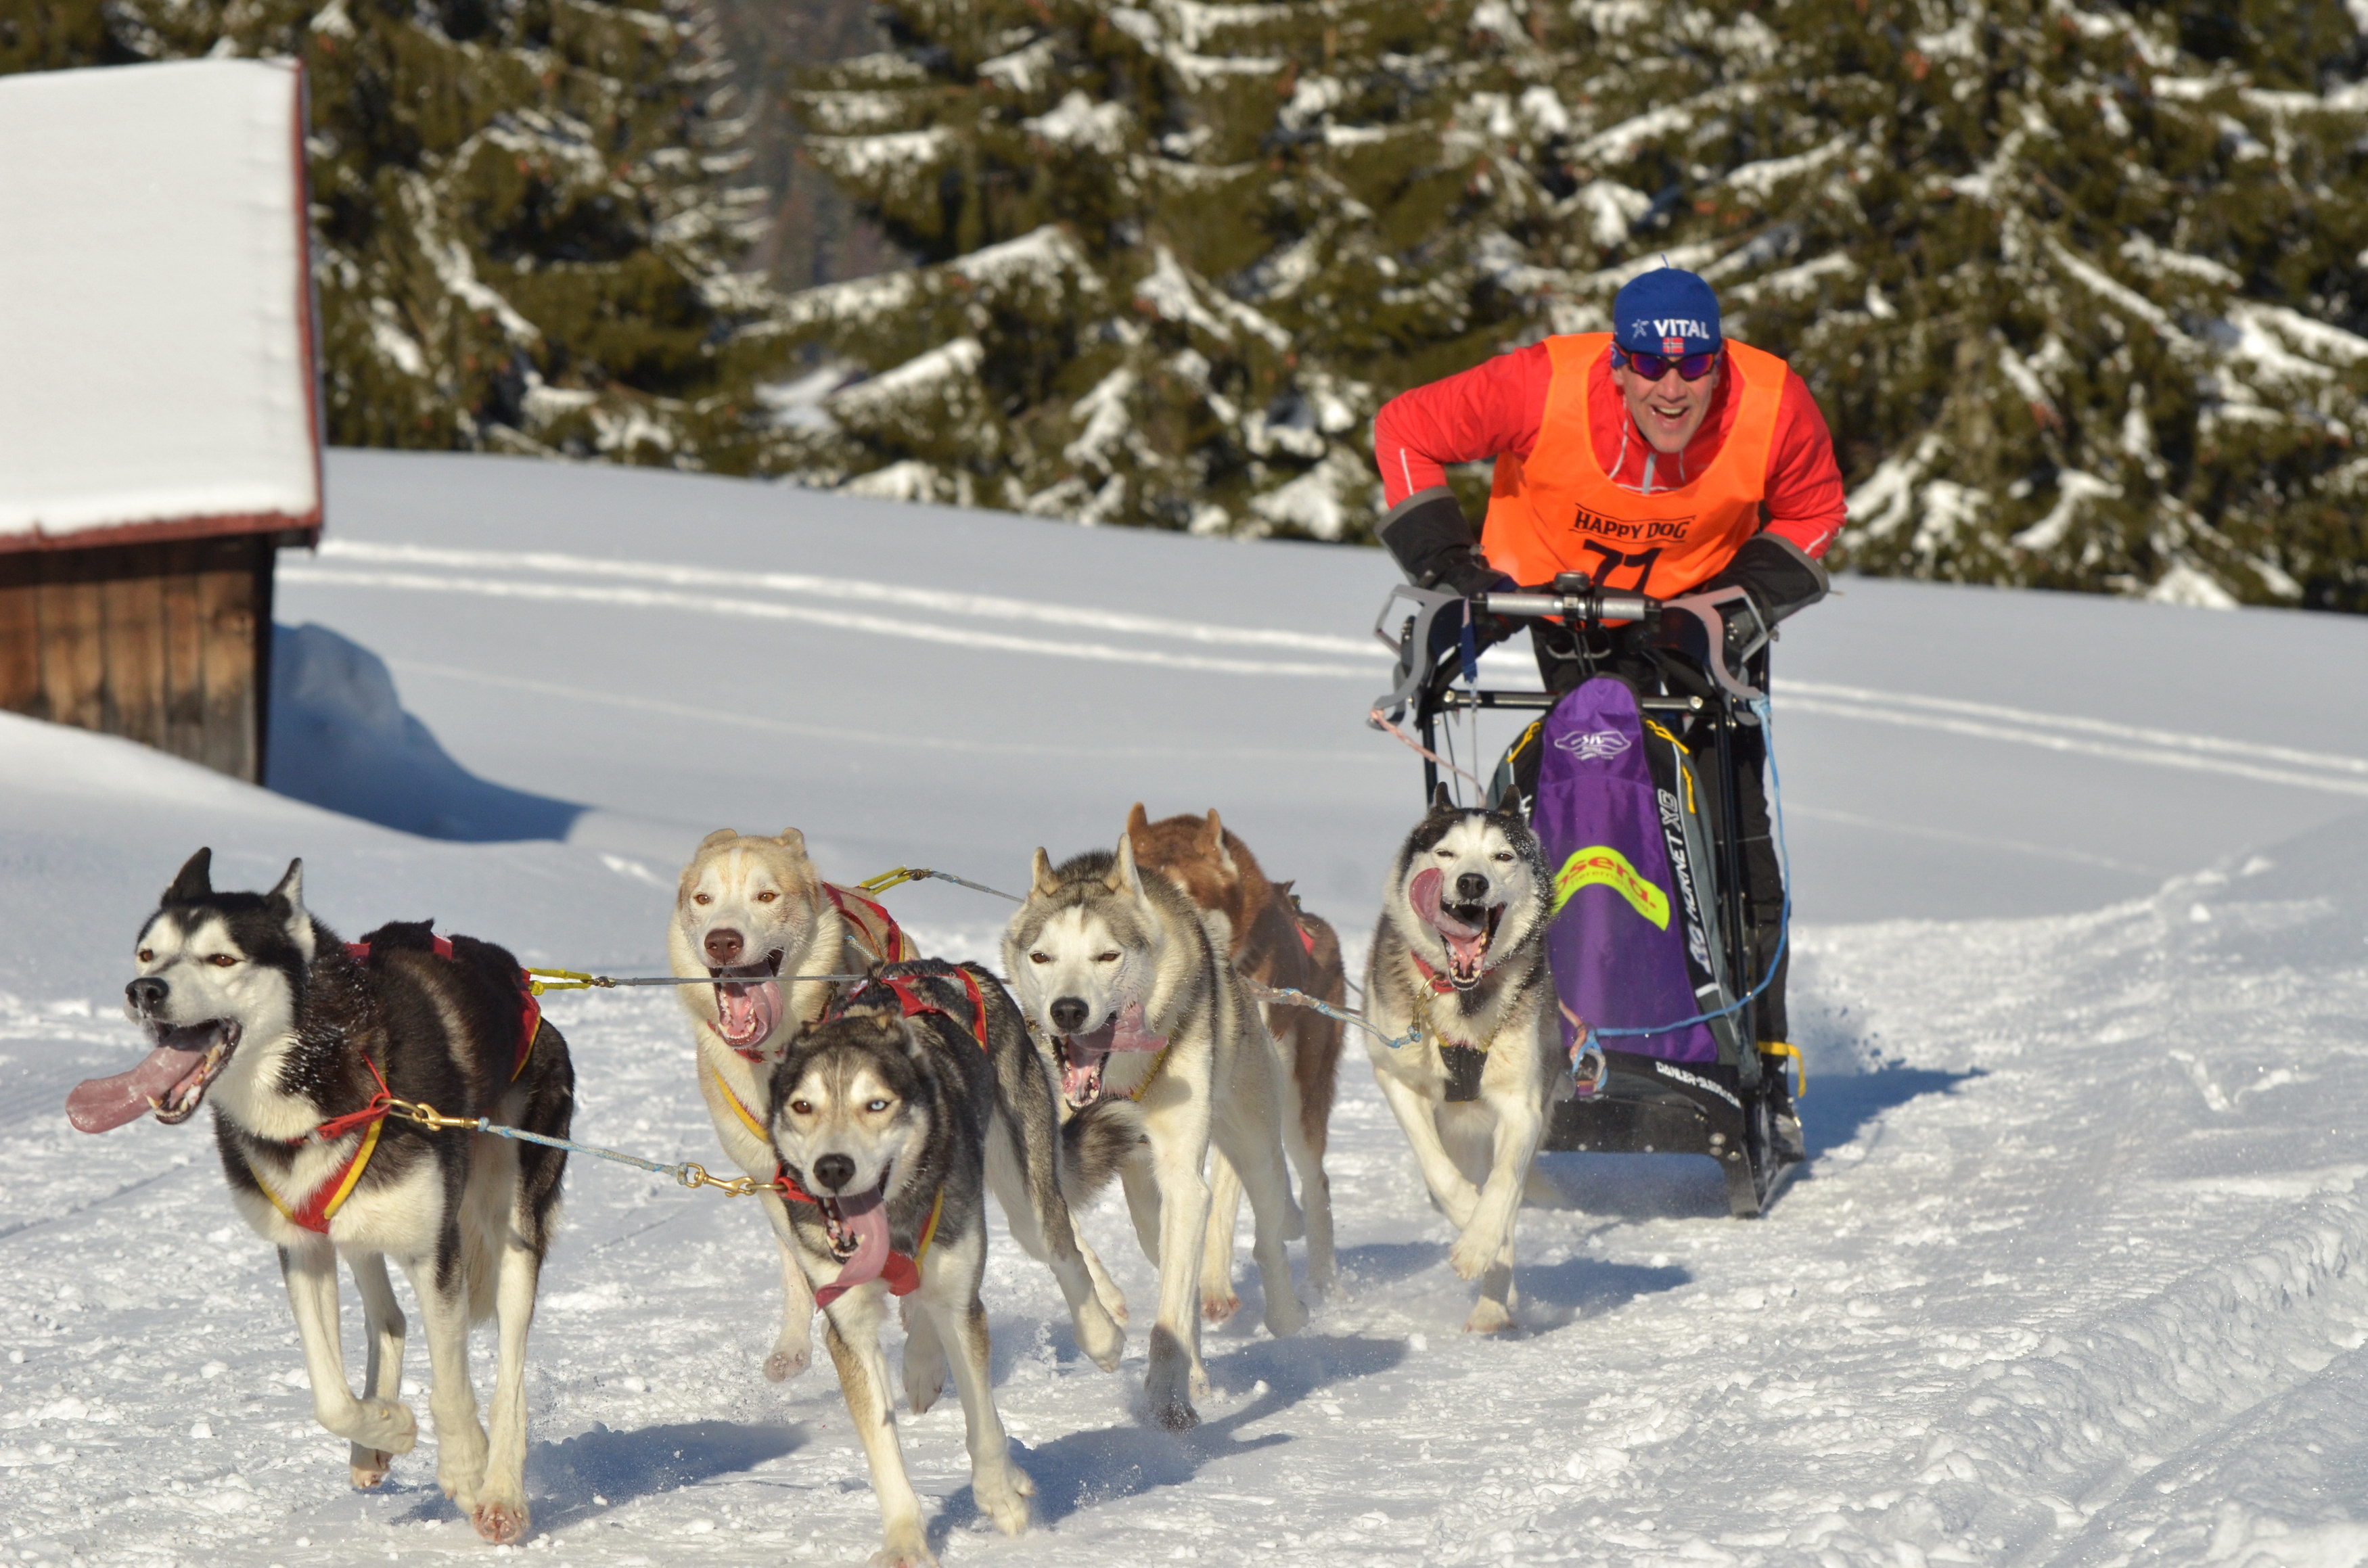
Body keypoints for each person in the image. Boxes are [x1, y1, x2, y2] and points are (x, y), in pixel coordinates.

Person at [1367, 264, 1845, 1066]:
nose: (1670, 386)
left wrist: (1734, 608)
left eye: (1693, 365)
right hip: (1563, 609)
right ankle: (1552, 1021)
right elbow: (1403, 429)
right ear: (1615, 362)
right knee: (1581, 813)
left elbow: (1813, 509)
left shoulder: (1770, 400)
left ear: (1718, 362)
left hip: (1699, 622)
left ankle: (1756, 1049)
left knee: (1731, 835)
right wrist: (1454, 568)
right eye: (1648, 364)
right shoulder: (1540, 383)